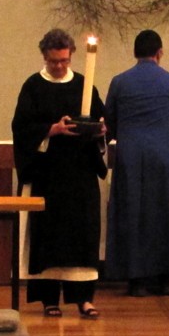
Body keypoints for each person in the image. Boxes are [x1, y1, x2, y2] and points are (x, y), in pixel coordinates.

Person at [11, 28, 107, 318]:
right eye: (54, 61)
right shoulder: (33, 86)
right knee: (49, 237)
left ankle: (84, 299)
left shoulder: (84, 85)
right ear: (44, 56)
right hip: (48, 174)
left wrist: (101, 130)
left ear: (71, 56)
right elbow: (21, 129)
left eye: (64, 61)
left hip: (80, 173)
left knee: (82, 234)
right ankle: (49, 299)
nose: (59, 66)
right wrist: (52, 129)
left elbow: (101, 120)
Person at [105, 29, 169, 297]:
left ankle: (136, 280)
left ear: (134, 53)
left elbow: (110, 121)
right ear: (159, 53)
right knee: (165, 213)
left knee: (133, 214)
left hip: (130, 156)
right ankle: (168, 279)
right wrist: (167, 138)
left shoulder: (119, 82)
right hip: (162, 155)